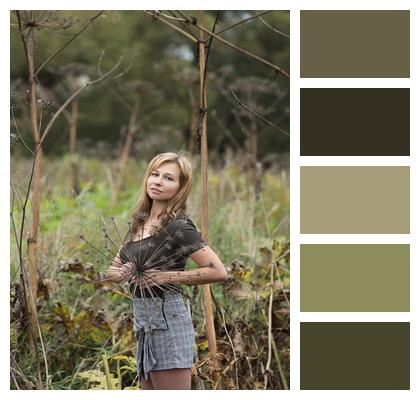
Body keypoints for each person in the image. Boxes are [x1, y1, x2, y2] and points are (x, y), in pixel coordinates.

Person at [105, 152, 228, 390]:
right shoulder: (139, 222)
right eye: (155, 174)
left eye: (169, 178)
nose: (158, 181)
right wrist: (122, 273)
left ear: (181, 188)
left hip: (168, 320)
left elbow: (218, 271)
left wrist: (164, 276)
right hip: (143, 324)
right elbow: (112, 270)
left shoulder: (178, 226)